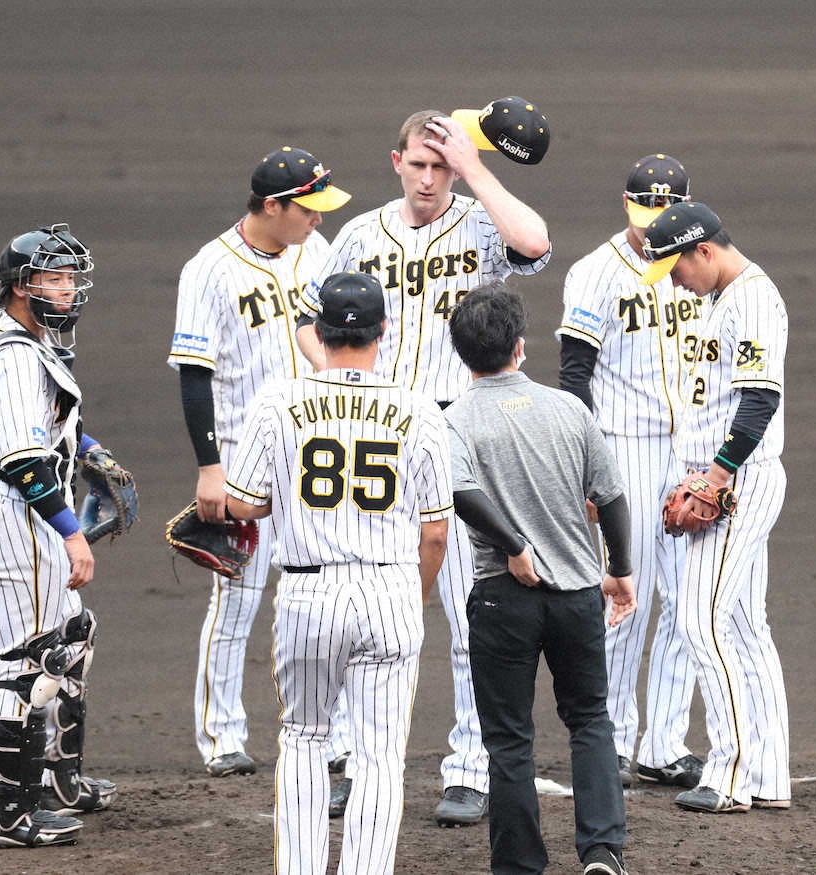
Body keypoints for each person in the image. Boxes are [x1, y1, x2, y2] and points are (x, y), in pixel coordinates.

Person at [296, 98, 552, 825]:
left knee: (471, 609)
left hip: (453, 426)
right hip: (374, 433)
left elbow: (534, 243)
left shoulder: (479, 221)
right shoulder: (357, 235)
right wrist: (346, 382)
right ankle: (343, 756)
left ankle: (469, 767)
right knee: (356, 596)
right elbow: (311, 321)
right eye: (421, 163)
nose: (431, 178)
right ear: (397, 162)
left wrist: (478, 168)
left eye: (443, 166)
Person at [223, 271, 452, 875]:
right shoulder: (419, 408)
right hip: (390, 588)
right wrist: (414, 596)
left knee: (303, 739)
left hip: (307, 593)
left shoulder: (280, 400)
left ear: (317, 333)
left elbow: (243, 504)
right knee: (379, 756)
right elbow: (436, 531)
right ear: (383, 331)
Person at [168, 146, 351, 777]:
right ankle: (223, 737)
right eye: (309, 208)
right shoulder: (209, 270)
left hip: (319, 451)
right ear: (272, 205)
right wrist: (209, 466)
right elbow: (195, 375)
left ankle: (336, 735)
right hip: (245, 459)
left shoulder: (318, 254)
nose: (318, 220)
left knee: (328, 593)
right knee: (238, 597)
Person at [445, 281, 636, 875]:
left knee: (507, 742)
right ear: (521, 348)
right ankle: (602, 851)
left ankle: (520, 866)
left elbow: (462, 493)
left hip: (503, 600)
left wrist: (513, 545)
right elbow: (611, 499)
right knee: (590, 720)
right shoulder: (569, 409)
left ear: (461, 354)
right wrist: (621, 572)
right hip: (578, 596)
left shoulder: (455, 419)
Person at [0, 224, 117, 847]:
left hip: (27, 512)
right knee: (28, 662)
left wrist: (90, 449)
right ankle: (11, 813)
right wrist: (72, 533)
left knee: (73, 638)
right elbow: (24, 459)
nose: (68, 289)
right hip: (18, 516)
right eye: (53, 278)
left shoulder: (20, 334)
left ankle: (58, 780)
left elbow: (45, 421)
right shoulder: (16, 357)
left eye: (71, 277)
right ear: (22, 287)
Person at [556, 154, 705, 789]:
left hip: (693, 449)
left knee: (688, 599)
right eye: (645, 214)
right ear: (625, 203)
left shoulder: (702, 263)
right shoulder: (595, 273)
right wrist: (591, 468)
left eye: (666, 215)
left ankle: (664, 742)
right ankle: (612, 735)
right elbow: (573, 377)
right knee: (625, 596)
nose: (653, 228)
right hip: (627, 450)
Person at [639, 201, 790, 813]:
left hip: (735, 483)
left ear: (704, 251)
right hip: (731, 479)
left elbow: (758, 400)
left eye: (676, 267)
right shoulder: (724, 298)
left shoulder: (751, 301)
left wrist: (718, 474)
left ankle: (729, 776)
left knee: (701, 620)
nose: (673, 280)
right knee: (746, 629)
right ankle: (769, 777)